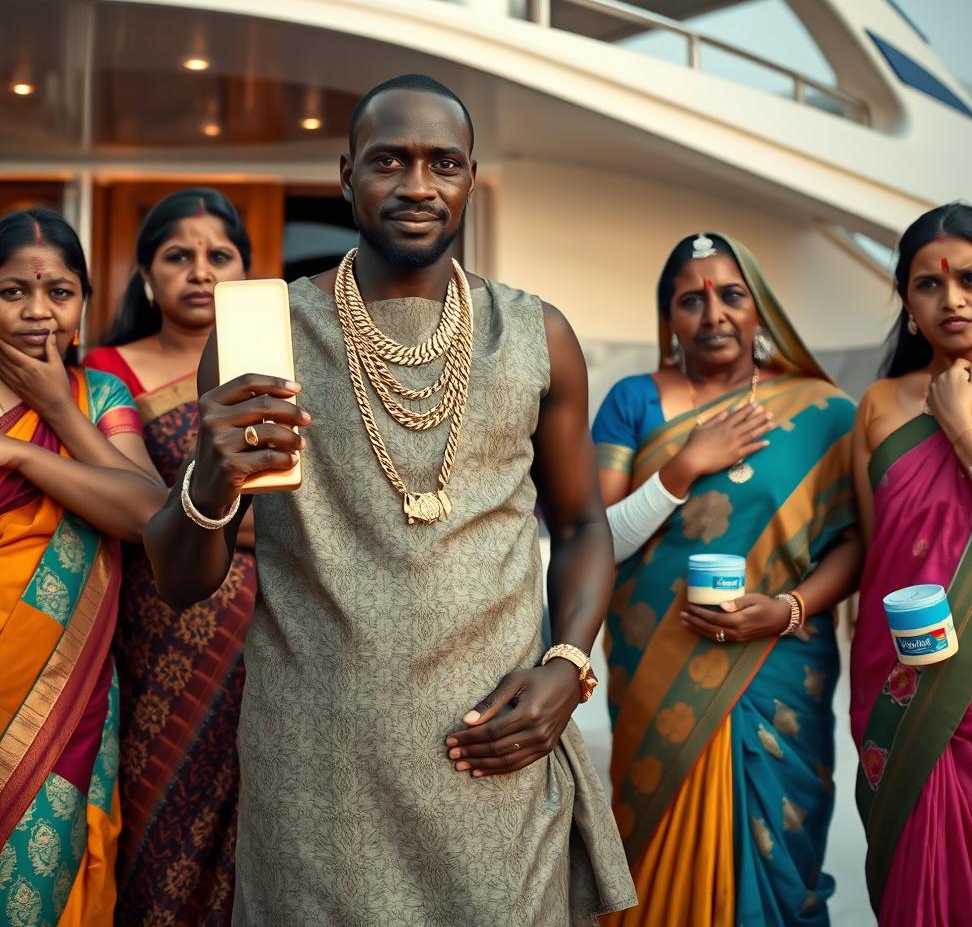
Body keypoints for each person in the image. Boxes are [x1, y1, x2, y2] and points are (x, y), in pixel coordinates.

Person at [143, 74, 636, 926]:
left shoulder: (534, 332)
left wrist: (570, 664)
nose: (417, 186)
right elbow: (185, 579)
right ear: (345, 176)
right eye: (388, 162)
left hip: (490, 753)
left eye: (443, 163)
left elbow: (584, 523)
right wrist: (211, 478)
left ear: (471, 179)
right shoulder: (270, 331)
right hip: (315, 776)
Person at [593, 233, 861, 926]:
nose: (712, 313)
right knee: (653, 857)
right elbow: (599, 540)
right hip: (657, 668)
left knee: (777, 856)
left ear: (759, 310)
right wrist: (685, 464)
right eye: (691, 299)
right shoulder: (634, 401)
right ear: (669, 320)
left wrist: (791, 609)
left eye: (731, 295)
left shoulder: (823, 412)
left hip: (779, 665)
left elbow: (855, 544)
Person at [83, 188, 256, 926]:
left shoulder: (270, 371)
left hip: (266, 638)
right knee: (156, 826)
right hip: (153, 634)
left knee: (256, 835)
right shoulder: (103, 370)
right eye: (177, 256)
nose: (200, 271)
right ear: (146, 276)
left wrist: (206, 519)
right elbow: (133, 503)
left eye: (220, 256)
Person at [851, 202, 972, 923]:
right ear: (907, 303)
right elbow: (876, 559)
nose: (951, 298)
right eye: (928, 284)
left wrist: (958, 423)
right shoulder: (881, 405)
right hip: (900, 682)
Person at [0, 207, 165, 925]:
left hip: (61, 694)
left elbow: (147, 514)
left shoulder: (101, 398)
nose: (38, 311)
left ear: (83, 303)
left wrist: (35, 440)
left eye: (59, 292)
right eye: (12, 292)